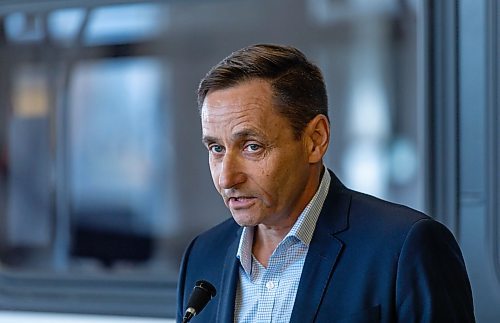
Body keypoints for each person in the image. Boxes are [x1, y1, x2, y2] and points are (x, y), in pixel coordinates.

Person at [177, 44, 475, 322]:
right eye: (216, 148)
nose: (227, 178)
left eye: (252, 146)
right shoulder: (203, 254)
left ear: (315, 140)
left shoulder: (405, 247)